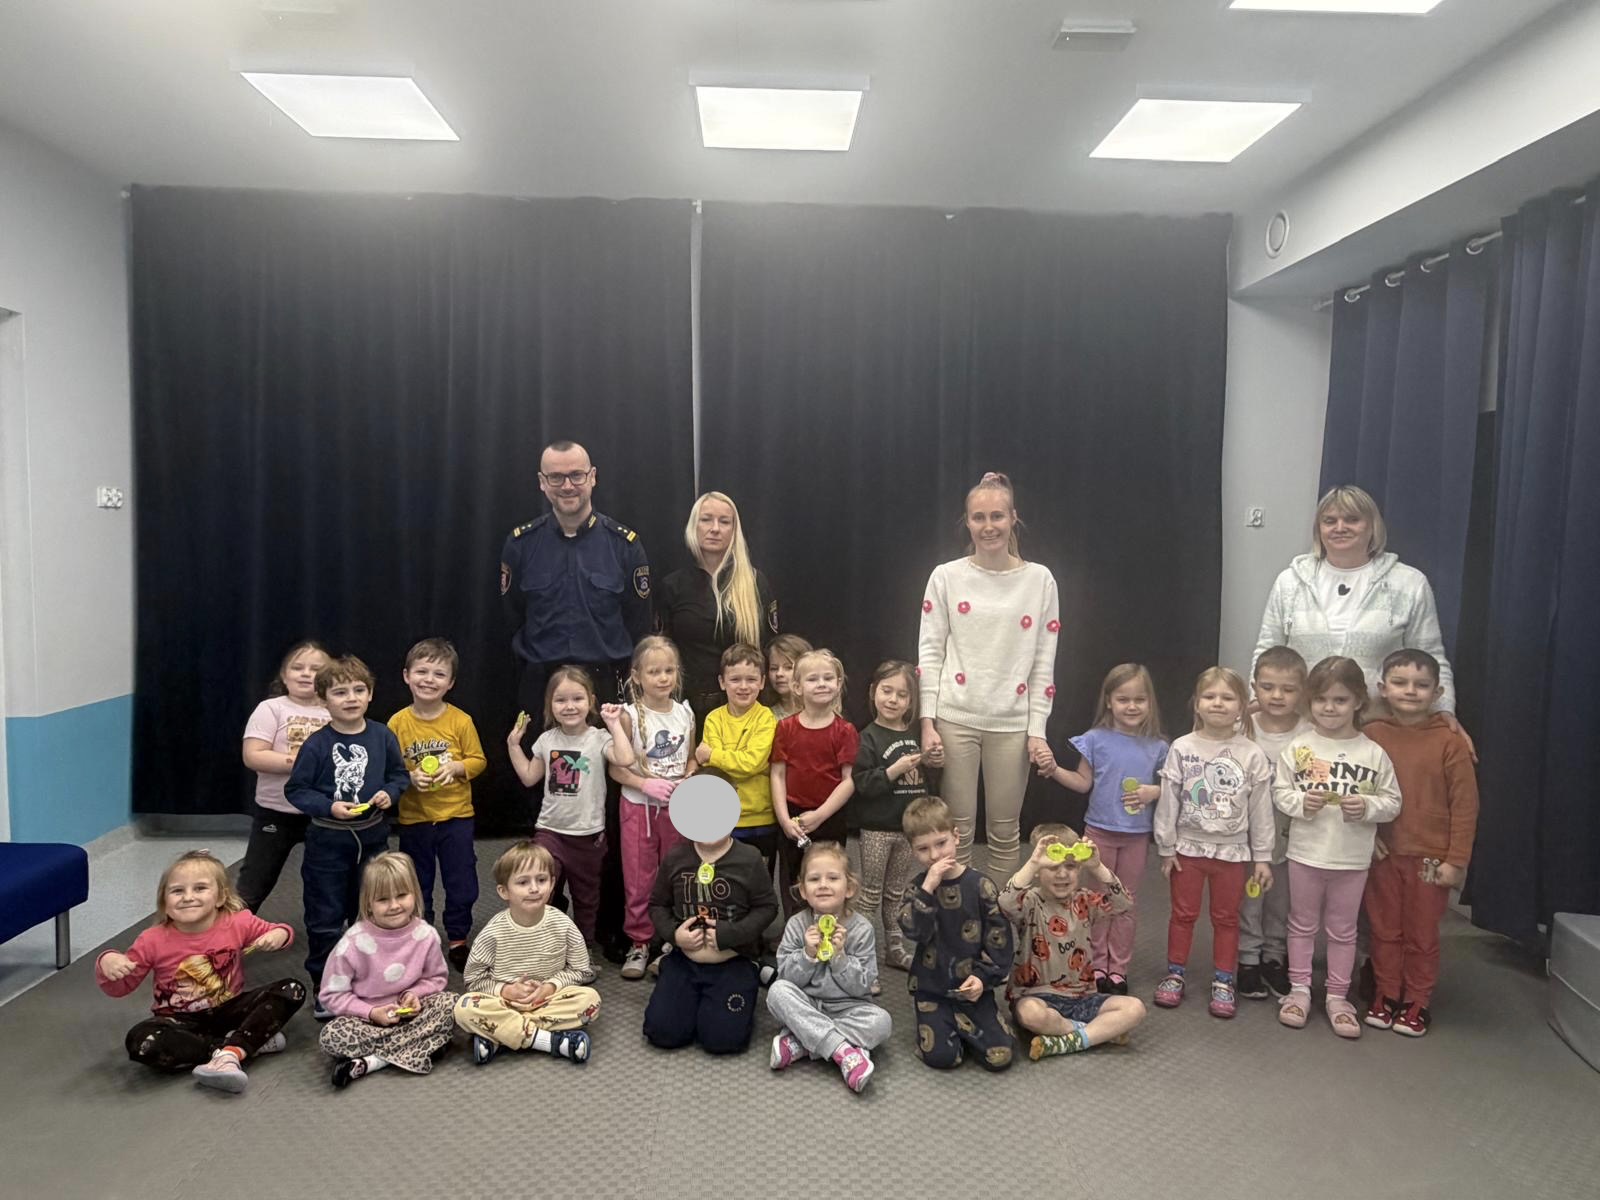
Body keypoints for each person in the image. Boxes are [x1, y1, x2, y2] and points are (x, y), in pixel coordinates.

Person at [500, 439, 651, 957]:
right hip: (540, 681)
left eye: (576, 475)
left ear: (593, 477)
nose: (568, 485)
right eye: (556, 477)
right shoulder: (520, 544)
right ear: (542, 483)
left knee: (605, 804)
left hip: (603, 683)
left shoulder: (623, 544)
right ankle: (545, 919)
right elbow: (511, 614)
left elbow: (638, 621)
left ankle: (606, 922)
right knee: (541, 801)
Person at [1251, 484, 1471, 753]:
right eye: (1329, 521)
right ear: (1319, 529)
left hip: (1378, 730)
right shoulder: (1289, 582)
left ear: (1372, 527)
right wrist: (1256, 702)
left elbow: (1430, 656)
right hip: (1302, 730)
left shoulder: (1409, 583)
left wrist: (1444, 710)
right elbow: (1267, 649)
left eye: (1352, 519)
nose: (1340, 527)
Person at [918, 472, 1060, 876]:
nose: (988, 526)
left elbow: (1043, 661)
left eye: (997, 516)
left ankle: (1000, 912)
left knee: (1004, 832)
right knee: (956, 832)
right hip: (955, 717)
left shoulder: (1040, 580)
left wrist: (1037, 730)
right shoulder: (946, 576)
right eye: (978, 517)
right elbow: (930, 651)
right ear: (967, 522)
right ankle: (958, 911)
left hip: (1012, 723)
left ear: (1013, 518)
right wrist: (927, 722)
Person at [95, 850, 303, 1094]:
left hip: (231, 1009)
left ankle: (232, 1050)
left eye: (200, 888)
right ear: (164, 901)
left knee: (292, 989)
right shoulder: (152, 939)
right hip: (180, 1021)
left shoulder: (238, 922)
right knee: (142, 1043)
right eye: (177, 891)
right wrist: (107, 961)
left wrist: (279, 935)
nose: (188, 897)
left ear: (220, 897)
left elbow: (281, 930)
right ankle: (237, 1045)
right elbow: (120, 987)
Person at [1272, 656, 1401, 1039]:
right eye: (1321, 699)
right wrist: (1301, 803)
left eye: (1340, 700)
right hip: (1306, 853)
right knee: (1301, 923)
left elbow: (1393, 802)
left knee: (1343, 930)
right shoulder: (1299, 747)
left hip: (1352, 858)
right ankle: (1299, 990)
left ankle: (1338, 997)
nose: (1329, 708)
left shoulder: (1373, 753)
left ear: (1358, 701)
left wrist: (1368, 807)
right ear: (1309, 701)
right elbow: (1280, 792)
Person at [1361, 649, 1478, 1037]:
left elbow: (1465, 805)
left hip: (1430, 859)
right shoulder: (1371, 736)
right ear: (1383, 689)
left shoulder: (1450, 741)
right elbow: (1359, 792)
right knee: (1384, 929)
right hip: (1383, 854)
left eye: (1421, 684)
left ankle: (1417, 1000)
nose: (1410, 691)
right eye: (1400, 682)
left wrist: (1456, 860)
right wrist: (1368, 838)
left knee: (1421, 933)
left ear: (1437, 692)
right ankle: (1386, 994)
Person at [284, 655, 410, 1008]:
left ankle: (371, 980)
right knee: (325, 918)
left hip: (374, 840)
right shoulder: (316, 745)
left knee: (372, 911)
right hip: (327, 842)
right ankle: (327, 988)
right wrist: (329, 806)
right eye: (340, 692)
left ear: (370, 694)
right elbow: (296, 790)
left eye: (358, 690)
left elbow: (399, 775)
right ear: (323, 700)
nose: (351, 698)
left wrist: (390, 793)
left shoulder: (382, 735)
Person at [1153, 668, 1275, 1020]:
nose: (1218, 703)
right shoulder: (1182, 747)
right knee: (1183, 914)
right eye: (1209, 696)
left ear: (1242, 706)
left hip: (1232, 852)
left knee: (1227, 918)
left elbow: (1261, 810)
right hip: (1188, 850)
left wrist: (1262, 856)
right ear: (1197, 704)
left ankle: (1224, 980)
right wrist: (1166, 846)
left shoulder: (1251, 753)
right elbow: (1169, 801)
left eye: (1227, 697)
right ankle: (1175, 973)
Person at [1042, 663, 1166, 995]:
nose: (1131, 706)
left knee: (1125, 900)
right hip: (1098, 834)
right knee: (1097, 898)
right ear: (1109, 701)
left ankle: (1118, 968)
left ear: (1150, 702)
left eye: (1139, 699)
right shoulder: (1095, 739)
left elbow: (1176, 786)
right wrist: (1054, 770)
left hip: (1136, 836)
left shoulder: (1158, 747)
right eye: (1123, 699)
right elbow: (1083, 783)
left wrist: (1155, 791)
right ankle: (1096, 964)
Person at [506, 667, 634, 956]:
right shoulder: (547, 739)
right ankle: (540, 944)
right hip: (550, 831)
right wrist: (513, 745)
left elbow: (625, 758)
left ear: (591, 701)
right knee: (541, 886)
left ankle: (582, 949)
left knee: (586, 898)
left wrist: (614, 724)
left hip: (588, 836)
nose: (569, 706)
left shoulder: (599, 738)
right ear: (550, 705)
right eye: (561, 700)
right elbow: (528, 777)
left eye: (577, 698)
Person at [1001, 825, 1146, 1060]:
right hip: (1036, 996)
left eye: (1070, 867)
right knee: (1030, 1015)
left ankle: (1067, 1041)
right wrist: (1033, 863)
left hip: (1083, 997)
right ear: (1038, 871)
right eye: (1053, 867)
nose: (1062, 874)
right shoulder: (1029, 902)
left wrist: (1097, 867)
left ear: (1079, 868)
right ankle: (1093, 1032)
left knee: (1135, 1008)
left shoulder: (1085, 900)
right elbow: (1005, 902)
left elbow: (1124, 903)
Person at [387, 638, 487, 973]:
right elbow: (389, 770)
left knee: (462, 882)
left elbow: (478, 761)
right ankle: (422, 937)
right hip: (414, 819)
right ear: (406, 675)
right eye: (422, 671)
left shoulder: (461, 721)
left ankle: (458, 938)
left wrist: (457, 768)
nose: (429, 679)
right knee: (418, 883)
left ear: (451, 683)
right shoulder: (397, 723)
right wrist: (408, 777)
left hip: (456, 817)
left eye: (439, 674)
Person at [643, 810, 779, 1055]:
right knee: (662, 1033)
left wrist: (731, 934)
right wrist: (674, 935)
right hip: (685, 959)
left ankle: (753, 971)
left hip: (733, 960)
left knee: (723, 1041)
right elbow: (657, 905)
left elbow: (767, 907)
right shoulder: (676, 857)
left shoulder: (749, 858)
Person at [454, 841, 602, 1066]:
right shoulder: (492, 933)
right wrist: (506, 990)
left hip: (549, 1000)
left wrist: (550, 986)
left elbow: (580, 970)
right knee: (463, 1008)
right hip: (503, 1003)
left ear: (552, 883)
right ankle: (549, 1041)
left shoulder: (563, 925)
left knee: (590, 1000)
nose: (534, 889)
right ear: (504, 891)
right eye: (523, 882)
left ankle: (502, 1035)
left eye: (541, 880)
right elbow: (473, 981)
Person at [317, 852, 458, 1088]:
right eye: (383, 899)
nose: (394, 906)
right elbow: (331, 995)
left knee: (454, 1005)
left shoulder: (426, 935)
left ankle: (373, 1061)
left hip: (413, 1015)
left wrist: (414, 994)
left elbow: (436, 979)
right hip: (366, 1021)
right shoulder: (352, 943)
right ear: (368, 904)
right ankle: (418, 1048)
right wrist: (371, 1012)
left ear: (414, 894)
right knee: (331, 1036)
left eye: (402, 895)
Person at [896, 796, 1016, 1071]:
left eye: (941, 843)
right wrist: (927, 890)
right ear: (913, 850)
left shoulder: (981, 886)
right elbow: (913, 931)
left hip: (973, 988)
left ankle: (969, 1026)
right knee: (942, 1058)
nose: (935, 855)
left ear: (956, 837)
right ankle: (946, 1028)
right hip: (933, 989)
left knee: (1000, 1057)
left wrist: (983, 978)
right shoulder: (917, 889)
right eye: (923, 849)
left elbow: (1000, 940)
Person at [766, 841, 890, 1092]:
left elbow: (864, 986)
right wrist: (807, 955)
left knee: (882, 1023)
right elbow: (786, 978)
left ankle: (803, 1041)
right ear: (803, 890)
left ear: (849, 888)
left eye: (833, 878)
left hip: (848, 1007)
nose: (823, 885)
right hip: (807, 1003)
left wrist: (840, 957)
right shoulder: (796, 925)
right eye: (814, 879)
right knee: (776, 993)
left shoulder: (862, 929)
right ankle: (843, 1051)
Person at [610, 636, 697, 979]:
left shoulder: (685, 713)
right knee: (638, 877)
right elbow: (616, 768)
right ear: (636, 676)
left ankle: (671, 942)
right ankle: (640, 941)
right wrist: (644, 784)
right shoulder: (629, 716)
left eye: (669, 671)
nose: (663, 678)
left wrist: (689, 776)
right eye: (654, 671)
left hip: (677, 809)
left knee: (676, 873)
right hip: (638, 808)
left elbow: (691, 758)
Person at [657, 491, 780, 728]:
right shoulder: (672, 586)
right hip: (686, 709)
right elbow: (663, 650)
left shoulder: (755, 583)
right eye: (706, 520)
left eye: (724, 522)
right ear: (693, 526)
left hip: (742, 708)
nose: (715, 528)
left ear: (734, 530)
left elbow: (769, 647)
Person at [1237, 647, 1312, 1002]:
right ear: (1254, 688)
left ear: (1303, 692)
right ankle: (1247, 958)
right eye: (1267, 687)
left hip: (1291, 834)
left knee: (1282, 900)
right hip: (1247, 835)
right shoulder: (1241, 729)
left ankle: (1274, 956)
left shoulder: (1309, 733)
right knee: (1250, 898)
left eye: (1288, 689)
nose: (1277, 696)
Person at [236, 639, 330, 914]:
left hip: (323, 814)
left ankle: (328, 933)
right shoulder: (271, 709)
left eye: (315, 669)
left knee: (327, 881)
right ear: (284, 674)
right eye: (298, 667)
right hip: (276, 812)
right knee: (255, 881)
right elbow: (253, 756)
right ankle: (231, 930)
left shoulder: (335, 711)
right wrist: (301, 762)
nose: (306, 674)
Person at [771, 648, 858, 918]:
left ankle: (828, 930)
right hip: (793, 818)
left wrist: (820, 815)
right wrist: (784, 820)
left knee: (829, 876)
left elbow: (849, 780)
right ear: (797, 687)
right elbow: (777, 775)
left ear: (838, 683)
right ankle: (795, 931)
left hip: (829, 816)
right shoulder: (785, 728)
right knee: (794, 879)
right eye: (812, 679)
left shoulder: (845, 731)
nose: (821, 684)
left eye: (828, 678)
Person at [852, 660, 926, 977]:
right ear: (873, 692)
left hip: (907, 832)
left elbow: (925, 783)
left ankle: (894, 949)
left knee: (896, 893)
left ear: (911, 701)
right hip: (877, 830)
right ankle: (861, 958)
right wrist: (894, 771)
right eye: (887, 691)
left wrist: (934, 761)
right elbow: (862, 784)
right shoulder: (867, 737)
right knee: (870, 893)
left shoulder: (915, 735)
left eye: (902, 694)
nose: (893, 700)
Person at [696, 642, 780, 877]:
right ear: (722, 682)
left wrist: (713, 754)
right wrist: (729, 761)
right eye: (735, 679)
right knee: (724, 883)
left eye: (751, 679)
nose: (743, 686)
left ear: (762, 682)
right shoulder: (713, 719)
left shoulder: (766, 719)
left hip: (760, 820)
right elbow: (715, 773)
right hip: (720, 818)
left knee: (758, 883)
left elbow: (751, 763)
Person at [764, 633, 812, 721]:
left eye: (788, 667)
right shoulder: (766, 716)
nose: (779, 674)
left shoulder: (820, 710)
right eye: (774, 668)